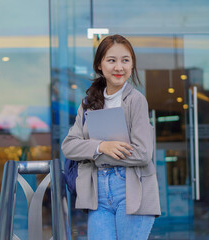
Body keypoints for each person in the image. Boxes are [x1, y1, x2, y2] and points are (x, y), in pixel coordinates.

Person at [61, 34, 161, 240]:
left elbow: (143, 154)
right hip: (98, 195)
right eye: (111, 60)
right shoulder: (88, 103)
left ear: (132, 65)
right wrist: (102, 146)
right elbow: (69, 146)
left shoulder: (136, 101)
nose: (119, 67)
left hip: (131, 190)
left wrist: (93, 154)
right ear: (99, 65)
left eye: (125, 60)